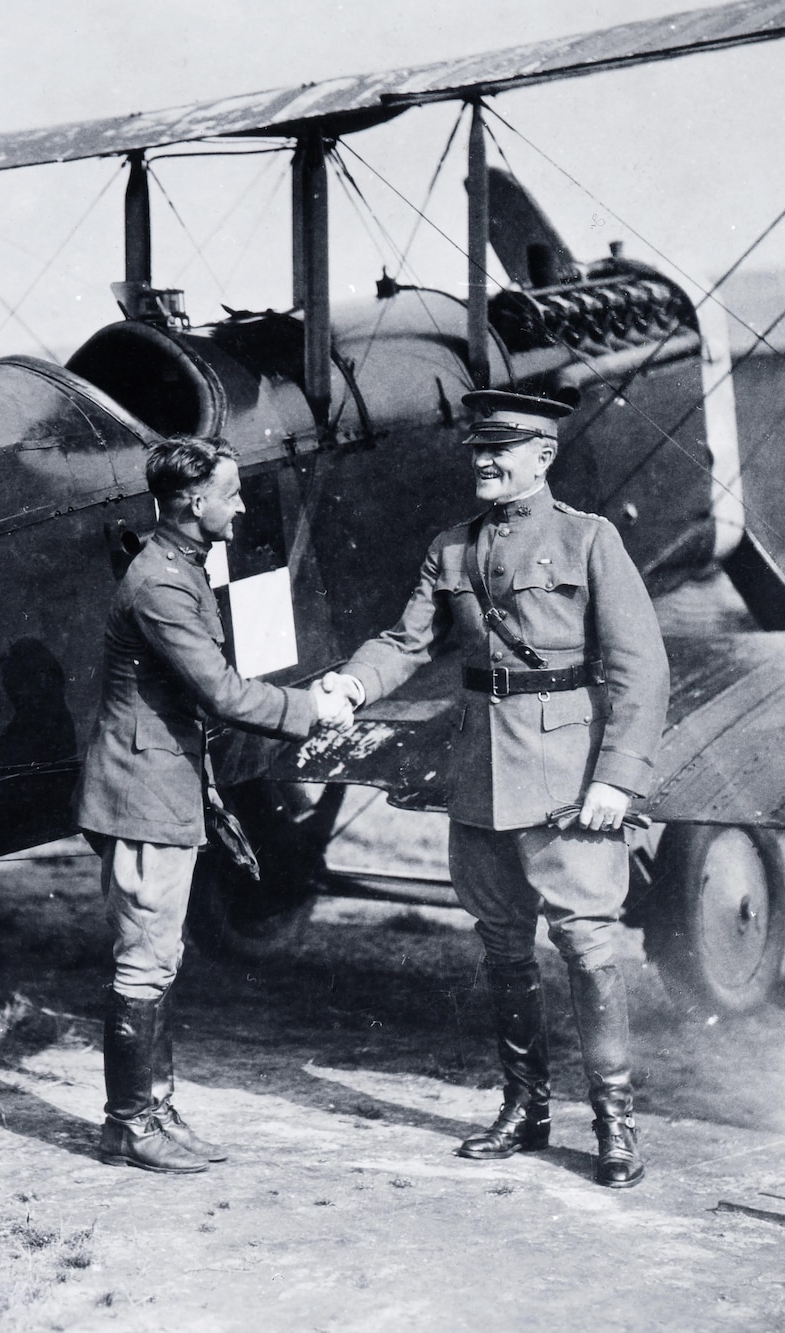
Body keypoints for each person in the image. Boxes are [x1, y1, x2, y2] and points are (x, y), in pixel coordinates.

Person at [320, 388, 669, 1189]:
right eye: (477, 446)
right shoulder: (452, 549)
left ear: (542, 455)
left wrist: (616, 776)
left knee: (586, 945)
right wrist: (352, 685)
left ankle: (614, 1121)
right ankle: (524, 1107)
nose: (484, 459)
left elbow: (641, 668)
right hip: (479, 771)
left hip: (566, 779)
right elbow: (407, 639)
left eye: (501, 447)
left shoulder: (590, 540)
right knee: (503, 948)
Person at [73, 436, 354, 1174]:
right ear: (195, 502)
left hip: (160, 785)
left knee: (161, 955)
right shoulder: (162, 583)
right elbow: (222, 692)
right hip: (142, 793)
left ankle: (154, 1108)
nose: (239, 506)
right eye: (230, 494)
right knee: (143, 962)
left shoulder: (180, 565)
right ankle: (130, 1122)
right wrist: (312, 708)